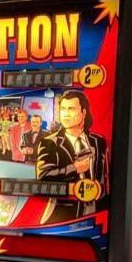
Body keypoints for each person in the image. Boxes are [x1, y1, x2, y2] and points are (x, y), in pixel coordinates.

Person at [36, 90, 109, 224]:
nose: (65, 114)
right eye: (63, 109)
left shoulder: (98, 141)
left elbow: (105, 175)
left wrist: (101, 191)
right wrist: (74, 168)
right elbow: (43, 176)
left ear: (83, 112)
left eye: (71, 109)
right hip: (63, 214)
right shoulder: (49, 142)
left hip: (97, 212)